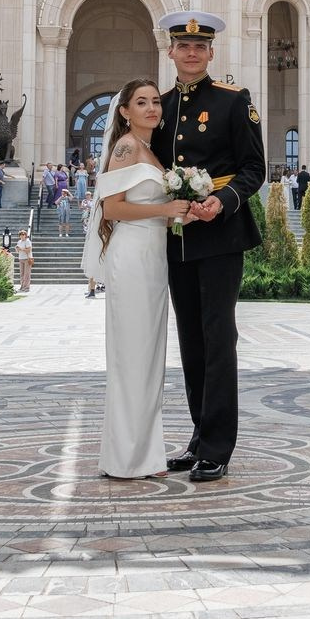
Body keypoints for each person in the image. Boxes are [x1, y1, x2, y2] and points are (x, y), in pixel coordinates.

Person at [151, 10, 266, 483]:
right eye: (184, 45)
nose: (192, 52)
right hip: (178, 237)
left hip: (220, 234)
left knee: (218, 340)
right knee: (191, 342)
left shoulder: (233, 101)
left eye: (200, 46)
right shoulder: (159, 107)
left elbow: (254, 168)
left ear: (211, 53)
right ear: (171, 51)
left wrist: (223, 200)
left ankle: (218, 447)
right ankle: (199, 438)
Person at [83, 77, 191, 480]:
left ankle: (143, 453)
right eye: (141, 102)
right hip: (131, 255)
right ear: (125, 111)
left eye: (155, 102)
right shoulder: (127, 147)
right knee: (132, 355)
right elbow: (112, 208)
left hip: (152, 255)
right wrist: (165, 211)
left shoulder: (149, 149)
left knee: (148, 356)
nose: (151, 108)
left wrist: (181, 213)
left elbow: (154, 205)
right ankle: (126, 458)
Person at [14, 227, 33, 292]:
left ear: (25, 235)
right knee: (22, 273)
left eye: (23, 234)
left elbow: (29, 250)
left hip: (27, 259)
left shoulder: (27, 241)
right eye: (20, 235)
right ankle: (22, 286)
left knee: (26, 274)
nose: (22, 236)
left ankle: (27, 287)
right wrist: (17, 249)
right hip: (21, 258)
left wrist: (21, 249)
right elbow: (18, 251)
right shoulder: (19, 242)